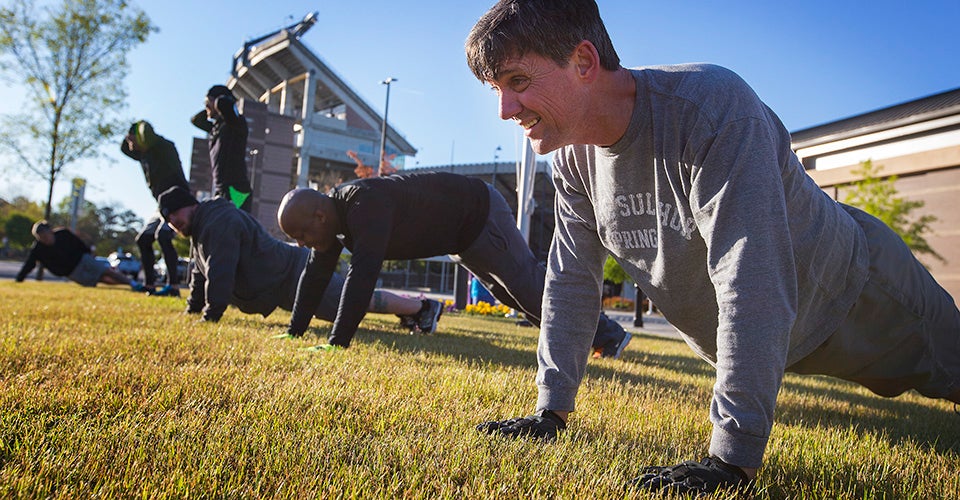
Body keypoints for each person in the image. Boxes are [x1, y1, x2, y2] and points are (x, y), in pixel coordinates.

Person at [466, 0, 960, 496]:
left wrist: (731, 459)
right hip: (766, 338)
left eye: (519, 82)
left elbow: (752, 275)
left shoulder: (710, 107)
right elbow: (571, 281)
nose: (505, 110)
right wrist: (550, 410)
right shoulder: (572, 158)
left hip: (856, 296)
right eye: (497, 90)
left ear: (584, 62)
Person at [276, 171, 631, 357]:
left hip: (480, 214)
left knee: (527, 286)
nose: (302, 244)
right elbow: (315, 274)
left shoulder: (363, 206)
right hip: (461, 238)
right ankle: (584, 341)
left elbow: (362, 276)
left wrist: (337, 342)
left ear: (320, 216)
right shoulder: (333, 224)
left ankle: (609, 337)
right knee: (513, 297)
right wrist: (295, 331)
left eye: (302, 235)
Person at [156, 186, 436, 333]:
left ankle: (422, 308)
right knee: (351, 303)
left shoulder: (218, 221)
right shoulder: (201, 230)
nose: (173, 223)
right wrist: (193, 309)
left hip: (294, 273)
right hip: (282, 284)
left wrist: (210, 316)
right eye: (168, 221)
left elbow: (220, 271)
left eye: (174, 215)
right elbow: (201, 273)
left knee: (356, 301)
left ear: (189, 204)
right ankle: (411, 309)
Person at [121, 120, 189, 296]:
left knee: (163, 235)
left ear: (143, 138)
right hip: (160, 205)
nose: (130, 145)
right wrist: (131, 133)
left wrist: (144, 130)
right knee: (143, 239)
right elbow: (123, 148)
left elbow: (155, 140)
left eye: (132, 140)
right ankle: (150, 285)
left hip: (178, 201)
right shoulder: (142, 155)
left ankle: (173, 287)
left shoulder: (164, 148)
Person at [15, 221, 145, 290]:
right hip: (71, 271)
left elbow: (78, 243)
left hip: (83, 259)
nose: (44, 240)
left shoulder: (63, 234)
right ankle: (125, 285)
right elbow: (30, 264)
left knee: (105, 271)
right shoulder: (38, 249)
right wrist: (20, 278)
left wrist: (89, 252)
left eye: (45, 236)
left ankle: (133, 283)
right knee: (100, 279)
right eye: (40, 238)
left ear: (50, 231)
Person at [190, 84, 253, 212]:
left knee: (233, 226)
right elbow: (196, 120)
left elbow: (225, 105)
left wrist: (218, 101)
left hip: (236, 189)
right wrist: (210, 105)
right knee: (218, 226)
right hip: (221, 189)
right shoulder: (215, 128)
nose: (206, 106)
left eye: (208, 102)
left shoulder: (235, 123)